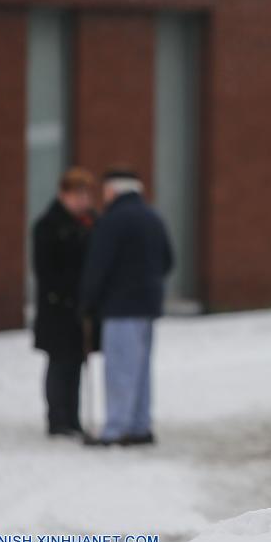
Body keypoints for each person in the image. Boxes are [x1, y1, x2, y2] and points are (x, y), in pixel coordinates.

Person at [80, 169, 173, 447]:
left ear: (114, 191)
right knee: (141, 370)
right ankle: (139, 425)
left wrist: (87, 301)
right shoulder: (153, 217)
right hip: (148, 306)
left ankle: (116, 429)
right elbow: (168, 260)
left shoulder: (113, 221)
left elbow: (99, 265)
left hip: (120, 307)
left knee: (120, 369)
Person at [32, 167, 98, 438]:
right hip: (58, 309)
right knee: (60, 363)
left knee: (77, 363)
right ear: (64, 195)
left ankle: (73, 417)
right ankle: (57, 418)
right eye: (78, 195)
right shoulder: (48, 226)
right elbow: (45, 270)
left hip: (80, 309)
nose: (84, 201)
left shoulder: (91, 223)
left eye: (86, 195)